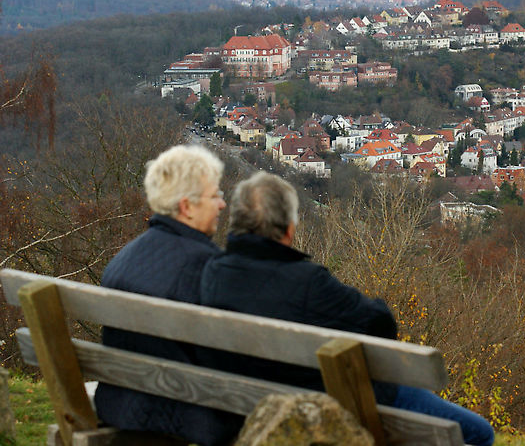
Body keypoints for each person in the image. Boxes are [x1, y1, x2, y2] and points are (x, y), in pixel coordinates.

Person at [201, 171, 494, 446]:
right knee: (481, 433)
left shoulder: (213, 272)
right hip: (332, 404)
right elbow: (381, 324)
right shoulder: (309, 282)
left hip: (241, 407)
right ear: (289, 229)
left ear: (236, 221)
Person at [93, 144, 242, 446]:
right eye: (215, 195)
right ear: (187, 206)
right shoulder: (209, 267)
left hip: (122, 406)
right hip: (190, 417)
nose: (222, 205)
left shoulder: (123, 259)